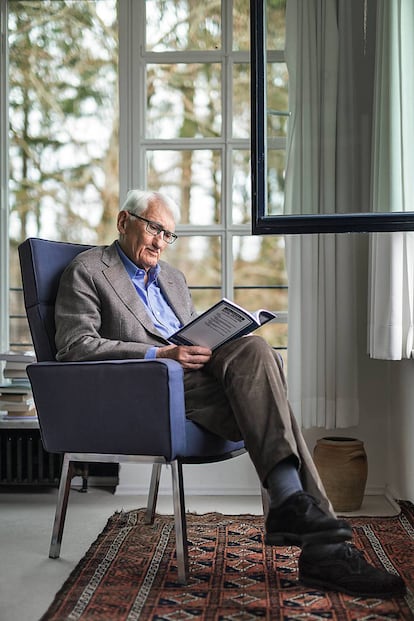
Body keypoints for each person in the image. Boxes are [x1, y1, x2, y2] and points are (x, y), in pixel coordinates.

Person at [55, 188, 406, 598]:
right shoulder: (89, 270)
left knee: (257, 351)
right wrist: (161, 350)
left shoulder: (172, 278)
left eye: (169, 235)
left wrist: (214, 339)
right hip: (147, 385)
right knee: (268, 389)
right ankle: (318, 541)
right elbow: (75, 346)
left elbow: (190, 338)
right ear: (123, 221)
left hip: (198, 376)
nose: (160, 242)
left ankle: (302, 515)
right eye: (154, 228)